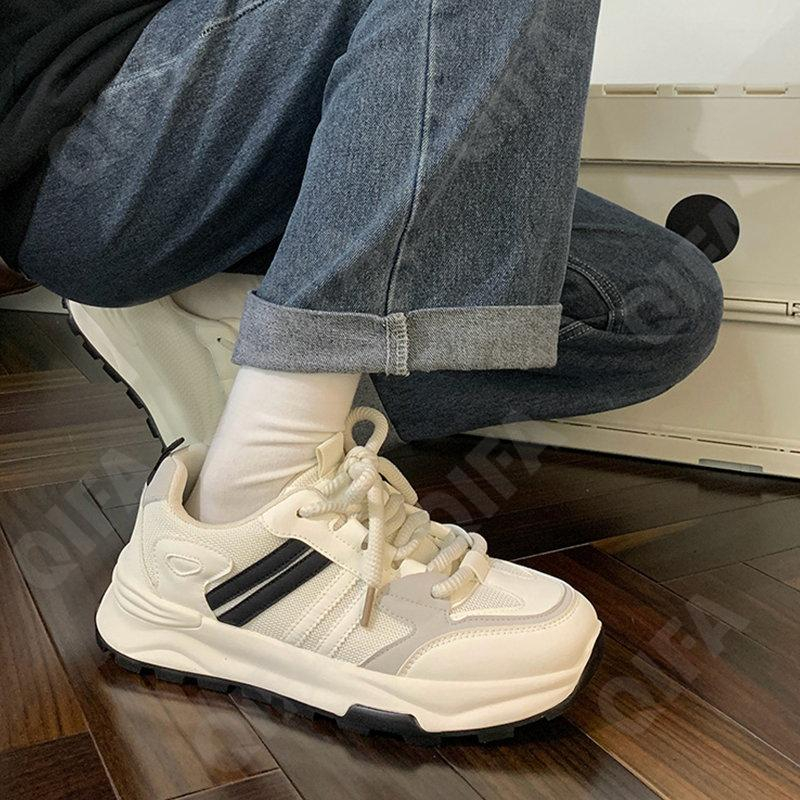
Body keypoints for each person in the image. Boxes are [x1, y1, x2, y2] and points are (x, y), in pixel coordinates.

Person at [1, 0, 723, 740]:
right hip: (92, 133)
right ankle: (253, 504)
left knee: (660, 307)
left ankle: (260, 353)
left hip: (277, 113)